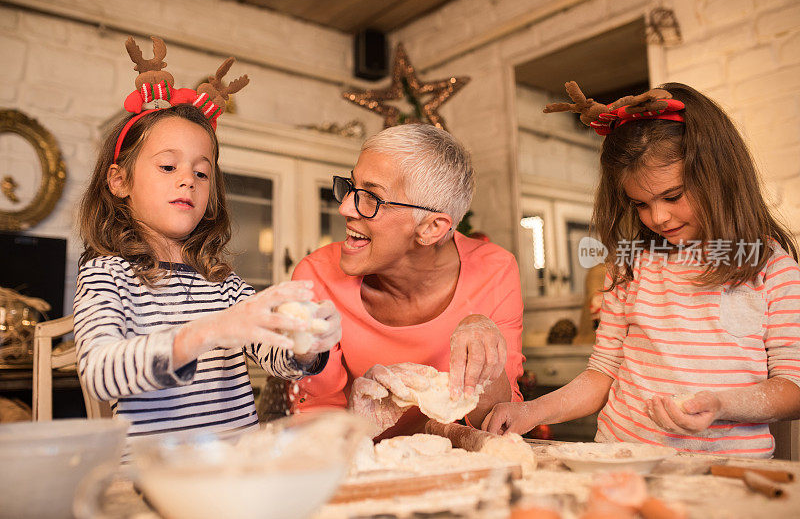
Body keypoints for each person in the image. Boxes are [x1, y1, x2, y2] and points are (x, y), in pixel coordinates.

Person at [483, 82, 800, 458]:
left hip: (725, 468)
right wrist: (531, 411)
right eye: (640, 205)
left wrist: (721, 403)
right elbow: (602, 373)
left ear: (719, 176)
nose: (658, 217)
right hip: (621, 456)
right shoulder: (631, 263)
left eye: (672, 196)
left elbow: (792, 389)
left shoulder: (767, 265)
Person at [74, 38, 338, 442]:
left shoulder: (222, 285)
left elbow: (278, 358)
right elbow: (99, 374)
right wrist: (205, 332)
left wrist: (306, 342)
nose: (187, 180)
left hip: (233, 476)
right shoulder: (108, 275)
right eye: (167, 165)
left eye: (202, 173)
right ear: (119, 181)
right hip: (155, 483)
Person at [291, 124, 525, 438]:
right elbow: (316, 413)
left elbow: (497, 422)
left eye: (371, 197)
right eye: (351, 187)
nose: (344, 207)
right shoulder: (317, 275)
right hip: (356, 463)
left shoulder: (494, 271)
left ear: (431, 228)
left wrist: (485, 346)